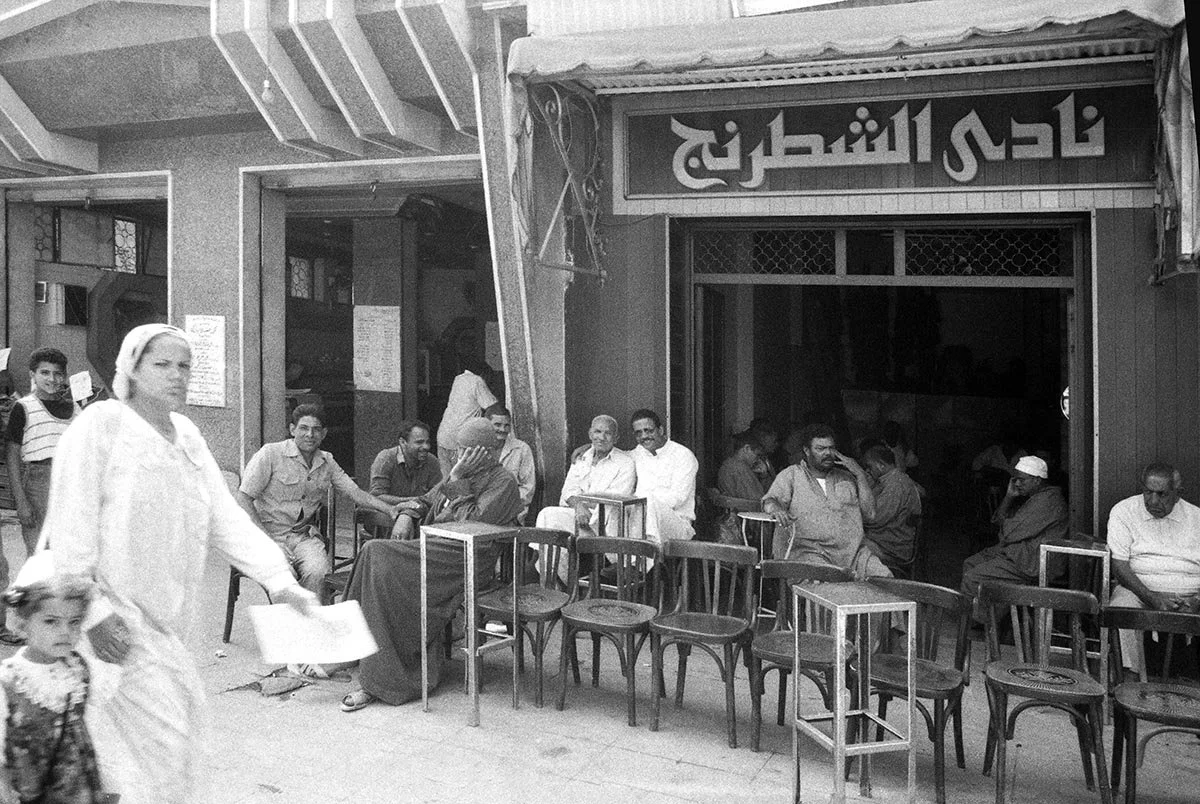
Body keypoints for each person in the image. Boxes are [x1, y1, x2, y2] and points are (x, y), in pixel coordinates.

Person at [38, 324, 317, 804]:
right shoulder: (100, 425)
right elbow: (69, 527)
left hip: (170, 624)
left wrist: (279, 580)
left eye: (184, 365)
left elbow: (223, 517)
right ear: (131, 367)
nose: (177, 375)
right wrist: (96, 613)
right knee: (162, 753)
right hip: (115, 622)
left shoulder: (186, 434)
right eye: (162, 365)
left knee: (158, 751)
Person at [338, 417, 523, 712]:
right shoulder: (458, 473)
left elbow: (470, 524)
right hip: (433, 548)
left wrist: (458, 478)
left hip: (463, 560)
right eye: (459, 451)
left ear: (484, 452)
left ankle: (382, 679)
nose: (458, 457)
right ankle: (351, 648)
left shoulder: (503, 482)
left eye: (465, 451)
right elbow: (425, 500)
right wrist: (406, 514)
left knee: (376, 553)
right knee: (373, 558)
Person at [237, 404, 400, 593]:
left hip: (303, 537)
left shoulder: (327, 461)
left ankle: (308, 622)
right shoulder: (270, 454)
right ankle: (284, 622)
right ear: (292, 430)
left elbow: (355, 493)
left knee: (319, 573)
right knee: (282, 575)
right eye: (303, 428)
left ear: (324, 433)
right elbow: (243, 498)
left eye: (316, 430)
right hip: (267, 534)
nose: (310, 435)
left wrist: (389, 509)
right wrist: (268, 542)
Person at [0, 564, 109, 803]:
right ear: (22, 623)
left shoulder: (77, 668)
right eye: (51, 621)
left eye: (74, 622)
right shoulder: (8, 682)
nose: (65, 632)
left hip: (81, 792)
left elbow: (88, 730)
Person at [1, 348, 77, 646]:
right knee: (38, 560)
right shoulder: (25, 407)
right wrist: (20, 499)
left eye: (58, 374)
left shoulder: (74, 409)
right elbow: (12, 453)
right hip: (37, 481)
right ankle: (25, 618)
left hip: (67, 484)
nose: (52, 379)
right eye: (45, 372)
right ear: (33, 375)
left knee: (64, 558)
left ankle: (56, 622)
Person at [761, 423, 888, 580]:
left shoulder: (847, 478)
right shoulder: (792, 475)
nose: (828, 453)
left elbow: (870, 515)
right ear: (806, 451)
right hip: (810, 553)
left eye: (831, 448)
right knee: (824, 583)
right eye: (820, 449)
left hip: (853, 555)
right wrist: (776, 509)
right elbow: (770, 500)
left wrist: (860, 474)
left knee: (885, 579)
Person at [1106, 463, 1200, 674]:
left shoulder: (1197, 518)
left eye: (1162, 494)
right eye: (1148, 492)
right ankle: (1128, 680)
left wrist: (1196, 601)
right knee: (1122, 609)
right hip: (1139, 590)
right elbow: (1120, 567)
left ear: (1178, 494)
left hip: (1192, 593)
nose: (1153, 501)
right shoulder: (1124, 511)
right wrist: (1154, 600)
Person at [960, 455, 1068, 618]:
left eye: (1022, 480)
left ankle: (987, 627)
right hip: (1019, 554)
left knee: (972, 578)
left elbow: (1008, 534)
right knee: (970, 563)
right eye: (1015, 479)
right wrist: (1009, 497)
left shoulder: (1048, 500)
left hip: (1033, 562)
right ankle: (988, 620)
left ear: (1037, 480)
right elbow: (999, 523)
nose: (1017, 484)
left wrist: (1006, 526)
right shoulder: (1036, 497)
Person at [535, 415, 636, 580]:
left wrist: (583, 503)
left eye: (608, 433)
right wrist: (579, 506)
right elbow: (568, 491)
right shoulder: (582, 458)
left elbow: (614, 500)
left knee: (551, 524)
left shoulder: (625, 463)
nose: (601, 437)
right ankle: (557, 580)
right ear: (590, 434)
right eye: (597, 431)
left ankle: (554, 583)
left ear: (616, 438)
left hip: (603, 525)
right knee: (548, 518)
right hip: (578, 516)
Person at [630, 409, 699, 545]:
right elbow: (618, 456)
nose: (644, 436)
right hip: (641, 519)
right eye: (639, 433)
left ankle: (641, 564)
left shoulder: (683, 455)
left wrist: (642, 504)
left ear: (660, 430)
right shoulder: (638, 453)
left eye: (649, 430)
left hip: (677, 525)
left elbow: (678, 498)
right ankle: (620, 561)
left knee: (648, 502)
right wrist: (587, 448)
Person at [365, 420, 442, 539]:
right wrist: (410, 502)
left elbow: (438, 496)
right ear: (402, 442)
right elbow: (376, 496)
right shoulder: (385, 459)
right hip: (387, 518)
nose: (426, 447)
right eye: (419, 442)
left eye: (427, 442)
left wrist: (412, 510)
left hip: (418, 517)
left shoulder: (432, 462)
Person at [861, 445, 923, 570]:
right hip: (886, 539)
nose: (868, 470)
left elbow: (874, 518)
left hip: (892, 548)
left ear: (881, 465)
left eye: (870, 466)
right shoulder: (888, 480)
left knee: (848, 543)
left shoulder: (896, 484)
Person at [435, 368, 497, 478]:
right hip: (460, 441)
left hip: (443, 436)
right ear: (485, 376)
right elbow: (493, 408)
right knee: (461, 482)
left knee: (446, 481)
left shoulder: (458, 379)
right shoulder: (478, 381)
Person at [486, 403, 536, 522]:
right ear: (486, 424)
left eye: (507, 425)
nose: (503, 430)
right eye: (497, 425)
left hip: (512, 510)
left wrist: (504, 502)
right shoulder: (477, 446)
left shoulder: (522, 449)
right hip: (481, 507)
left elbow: (528, 487)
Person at [715, 431, 766, 545]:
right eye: (756, 455)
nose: (757, 460)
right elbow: (757, 500)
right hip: (742, 523)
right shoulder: (739, 468)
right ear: (746, 449)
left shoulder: (732, 465)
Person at [747, 417, 780, 491]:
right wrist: (764, 476)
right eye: (774, 440)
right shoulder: (754, 462)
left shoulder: (766, 459)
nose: (776, 444)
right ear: (762, 438)